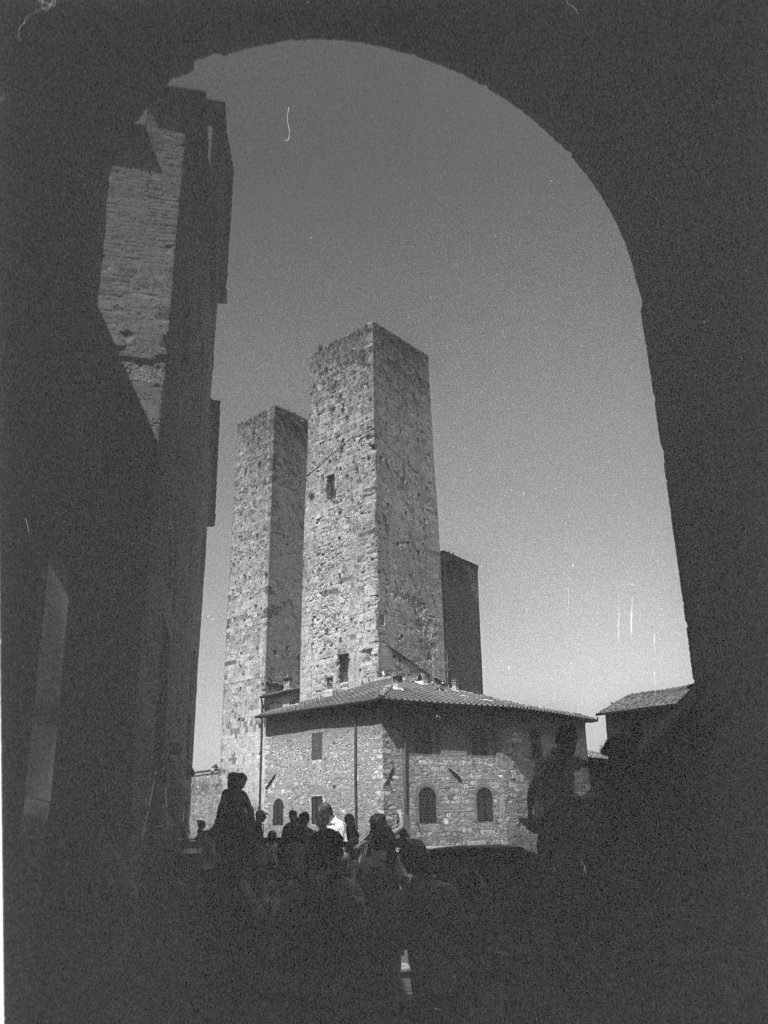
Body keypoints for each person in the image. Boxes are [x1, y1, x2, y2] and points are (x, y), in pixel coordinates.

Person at [399, 839, 466, 1021]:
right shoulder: (446, 891)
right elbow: (459, 927)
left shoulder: (406, 896)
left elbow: (403, 934)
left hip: (422, 962)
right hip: (446, 961)